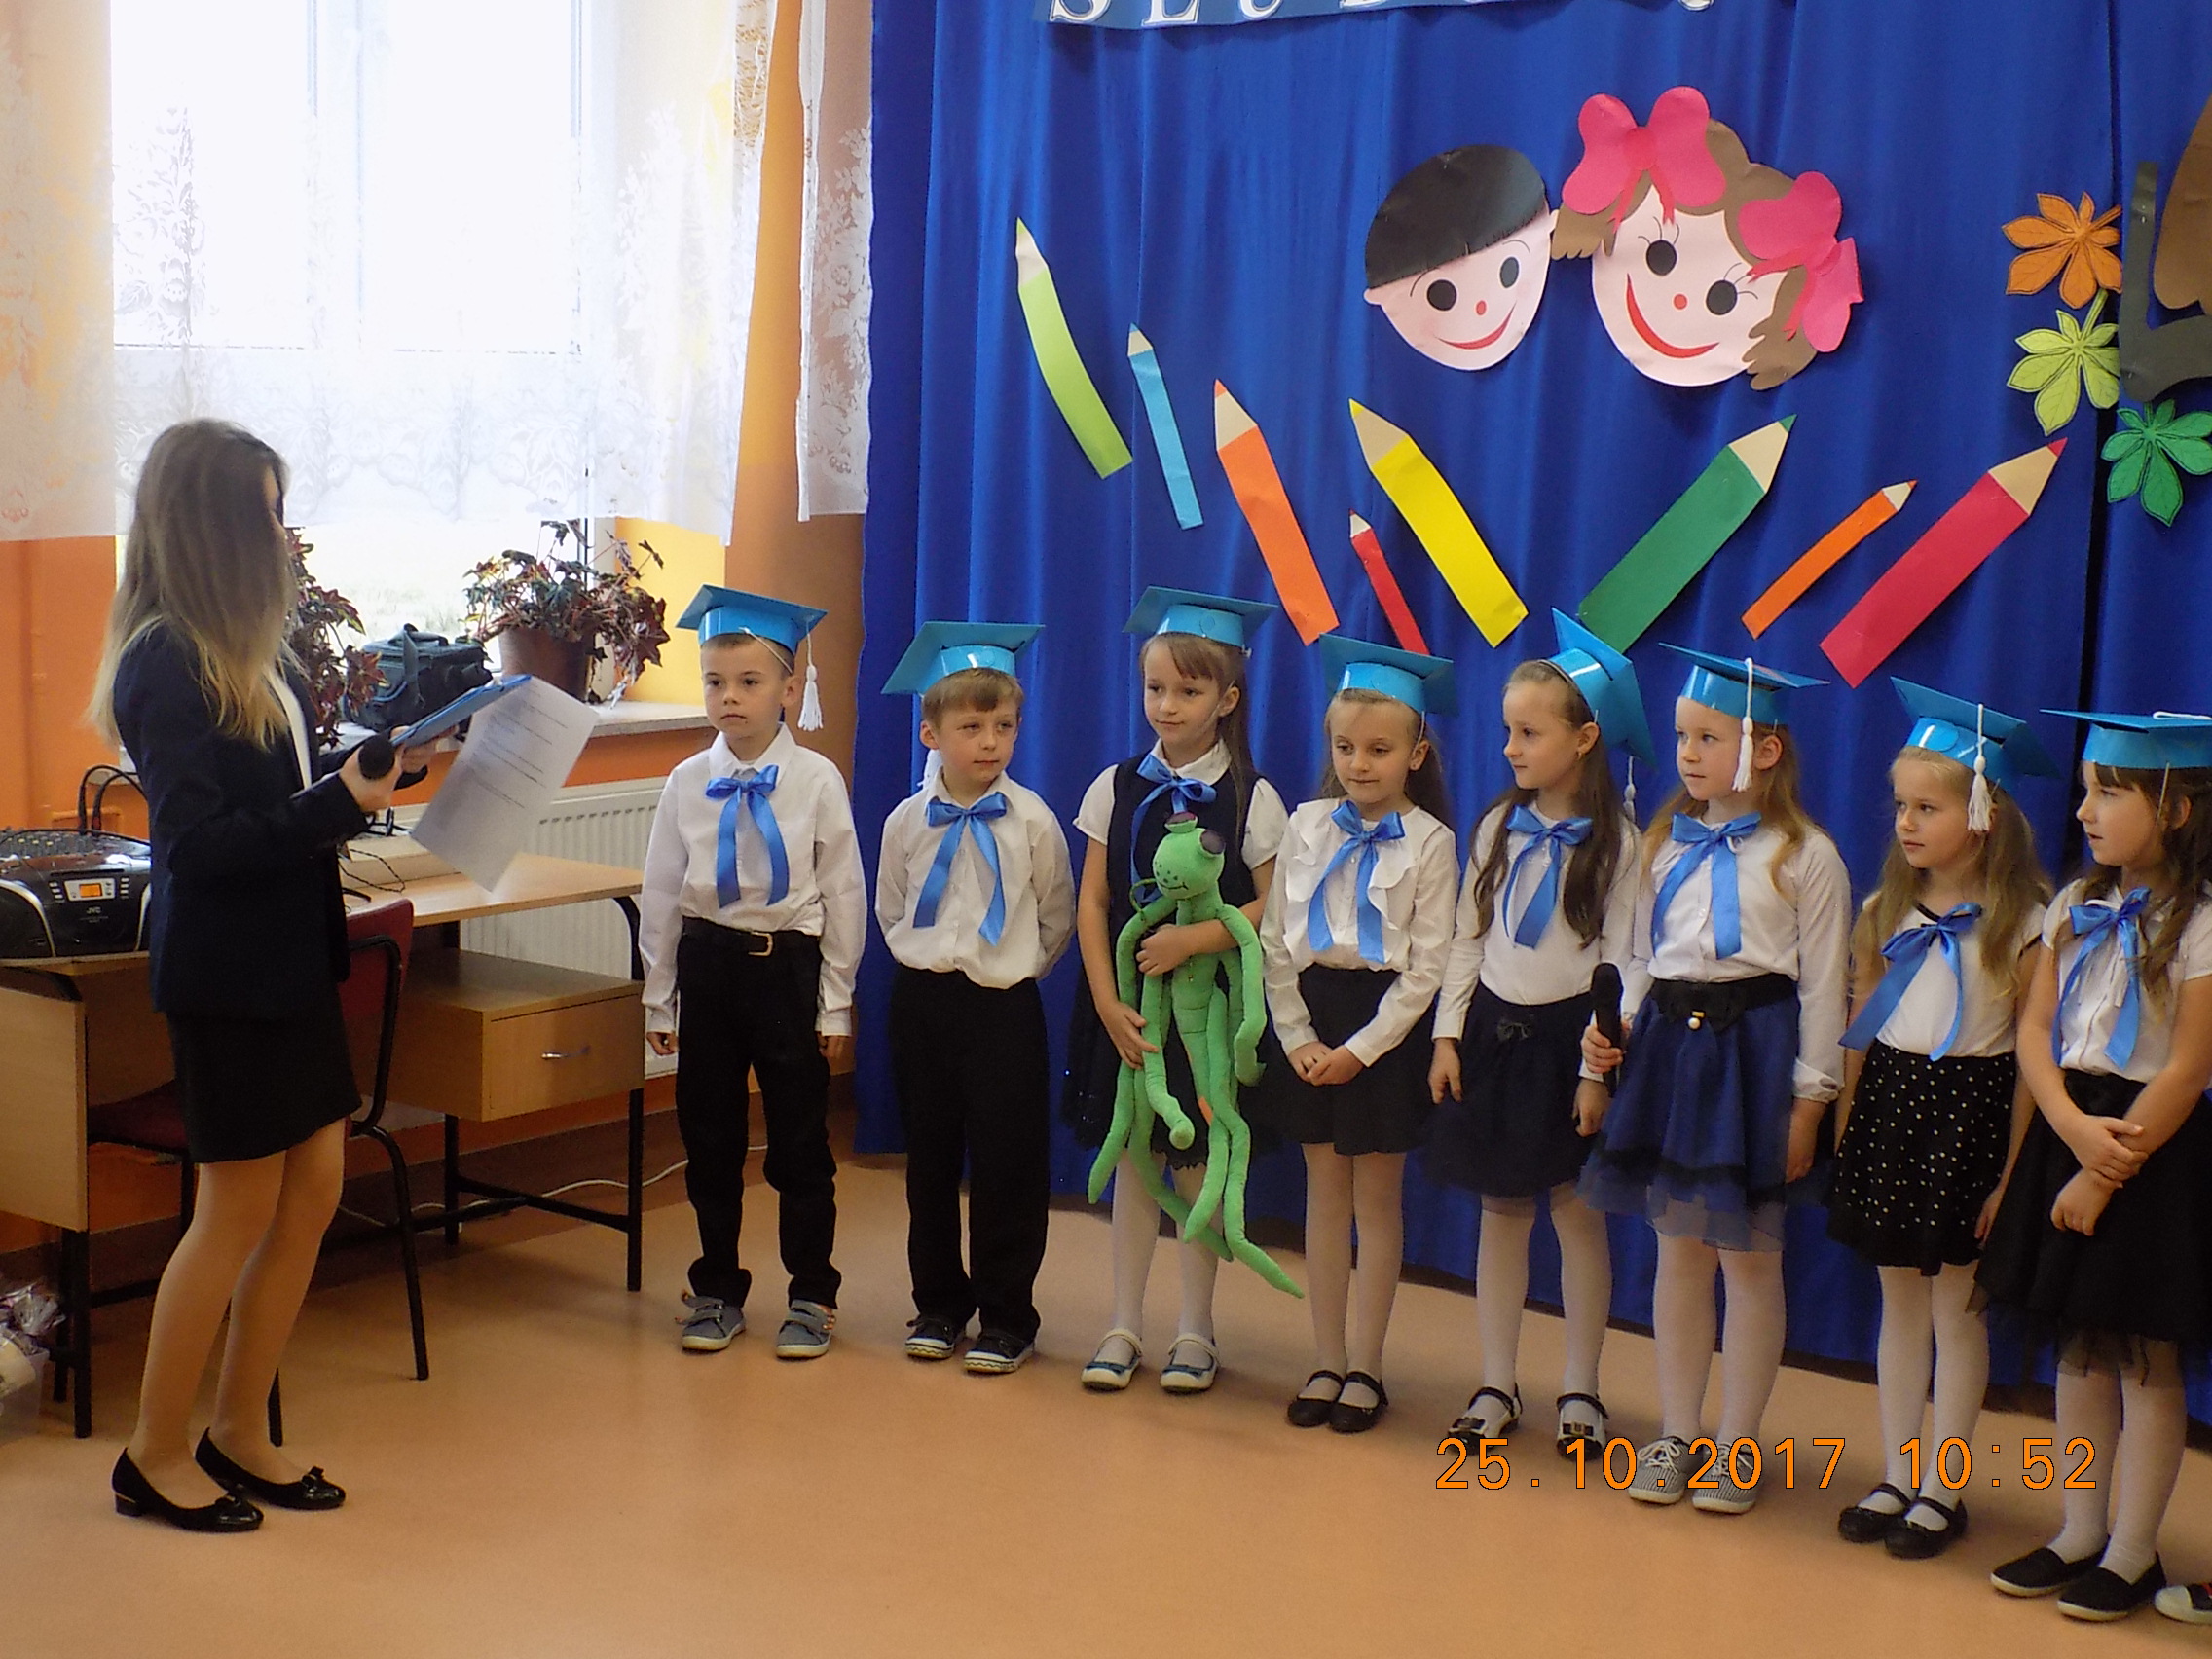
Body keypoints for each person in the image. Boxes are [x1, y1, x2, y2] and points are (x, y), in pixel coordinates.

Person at [92, 419, 418, 1531]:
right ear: (217, 527)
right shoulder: (162, 661)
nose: (286, 536)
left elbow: (274, 796)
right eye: (270, 515)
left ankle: (238, 1428)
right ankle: (152, 1454)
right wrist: (336, 805)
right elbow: (200, 847)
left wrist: (354, 775)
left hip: (290, 961)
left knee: (313, 1194)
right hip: (226, 973)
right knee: (234, 1210)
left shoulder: (259, 652)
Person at [1578, 645, 1850, 1515]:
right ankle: (1677, 1430)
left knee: (1750, 1258)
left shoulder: (1808, 856)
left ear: (1764, 750)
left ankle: (1738, 1442)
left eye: (1707, 737)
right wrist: (1617, 1030)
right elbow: (1642, 956)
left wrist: (1810, 1102)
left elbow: (1825, 989)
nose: (1687, 754)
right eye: (1681, 737)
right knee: (1677, 1250)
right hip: (1671, 1048)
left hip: (1755, 1054)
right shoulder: (1663, 843)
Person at [1972, 712, 2212, 1623]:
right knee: (2077, 1353)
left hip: (2150, 1147)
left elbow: (2188, 1069)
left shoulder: (2203, 924)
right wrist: (2070, 1128)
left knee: (2144, 1359)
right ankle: (2079, 1530)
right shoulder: (2074, 903)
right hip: (2073, 1129)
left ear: (2176, 809)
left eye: (2108, 793)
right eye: (2085, 791)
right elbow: (2035, 1031)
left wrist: (2104, 1167)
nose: (2084, 812)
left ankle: (2133, 1550)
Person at [1827, 682, 2053, 1559]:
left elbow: (2030, 1062)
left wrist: (2011, 1174)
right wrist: (1848, 1118)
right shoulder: (1885, 911)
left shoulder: (2028, 926)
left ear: (1984, 816)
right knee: (1898, 1300)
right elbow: (1863, 1022)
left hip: (1972, 1117)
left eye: (1928, 807)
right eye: (1900, 807)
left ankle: (1942, 1488)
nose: (1907, 823)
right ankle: (1896, 1471)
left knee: (1958, 1310)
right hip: (1894, 1106)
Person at [1427, 612, 1650, 1457]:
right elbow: (1467, 937)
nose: (1511, 748)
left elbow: (1628, 958)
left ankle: (1581, 1386)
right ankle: (1496, 1381)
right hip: (1496, 1033)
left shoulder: (1621, 844)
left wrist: (1599, 1063)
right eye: (1508, 731)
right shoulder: (1496, 828)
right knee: (1500, 1211)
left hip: (1573, 1044)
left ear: (1584, 739)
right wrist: (1448, 1035)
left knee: (1578, 1215)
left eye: (1529, 733)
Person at [1064, 587, 1286, 1395]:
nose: (1167, 705)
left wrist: (1196, 939)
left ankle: (1196, 1329)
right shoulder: (1114, 785)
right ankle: (1124, 1322)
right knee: (1132, 1157)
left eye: (1188, 691)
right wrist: (1105, 999)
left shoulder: (1254, 797)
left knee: (1197, 1161)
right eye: (1155, 687)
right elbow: (1093, 901)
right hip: (1128, 1006)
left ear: (1226, 700)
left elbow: (1273, 906)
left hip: (1208, 1013)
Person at [639, 585, 865, 1359]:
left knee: (800, 1142)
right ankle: (716, 1287)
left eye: (749, 682)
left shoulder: (817, 781)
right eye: (715, 682)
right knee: (710, 1140)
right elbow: (662, 893)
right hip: (708, 969)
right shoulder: (684, 782)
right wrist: (660, 999)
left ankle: (811, 1293)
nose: (729, 697)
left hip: (786, 970)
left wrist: (835, 1003)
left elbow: (843, 893)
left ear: (789, 690)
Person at [1263, 638, 1456, 1433]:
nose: (1359, 763)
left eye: (1379, 749)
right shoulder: (1304, 824)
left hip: (1384, 1034)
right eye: (1345, 747)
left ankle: (1367, 1368)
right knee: (1322, 1193)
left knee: (1376, 1202)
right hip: (1312, 1020)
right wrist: (1298, 1037)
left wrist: (1360, 1051)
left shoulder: (1432, 842)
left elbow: (1429, 966)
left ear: (1416, 754)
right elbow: (1275, 941)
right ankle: (1325, 1358)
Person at [876, 623, 1074, 1374]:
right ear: (931, 733)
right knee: (929, 1160)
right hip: (923, 1004)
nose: (990, 742)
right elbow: (892, 907)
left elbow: (1054, 916)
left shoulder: (1034, 821)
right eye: (971, 727)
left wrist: (1011, 972)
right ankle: (938, 1304)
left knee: (1008, 1164)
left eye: (1004, 726)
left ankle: (1007, 1315)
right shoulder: (905, 822)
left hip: (1002, 1009)